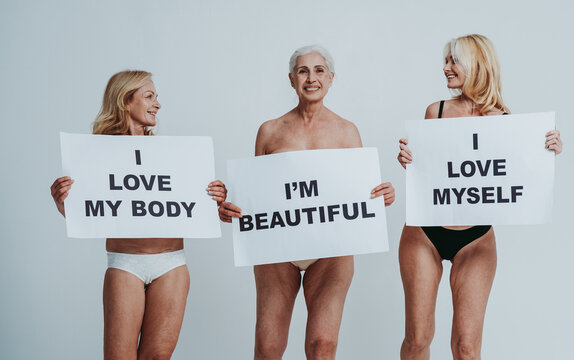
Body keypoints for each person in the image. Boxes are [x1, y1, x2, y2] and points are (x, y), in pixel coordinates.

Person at [218, 45, 395, 360]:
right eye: (303, 71)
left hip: (331, 252)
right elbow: (256, 196)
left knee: (322, 344)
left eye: (318, 70)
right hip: (277, 250)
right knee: (268, 347)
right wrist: (231, 209)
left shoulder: (347, 131)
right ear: (291, 79)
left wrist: (383, 196)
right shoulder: (270, 131)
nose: (311, 78)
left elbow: (361, 194)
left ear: (331, 78)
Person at [396, 34, 563, 360]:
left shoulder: (505, 122)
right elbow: (428, 172)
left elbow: (518, 173)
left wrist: (548, 151)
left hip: (476, 239)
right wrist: (407, 159)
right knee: (418, 338)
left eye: (453, 61)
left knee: (467, 348)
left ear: (476, 64)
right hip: (425, 234)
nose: (446, 68)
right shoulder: (437, 111)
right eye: (445, 61)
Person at [50, 70, 227, 359]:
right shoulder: (96, 154)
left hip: (171, 264)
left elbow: (193, 202)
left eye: (156, 97)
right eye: (149, 97)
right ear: (125, 101)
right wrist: (64, 205)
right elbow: (92, 212)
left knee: (157, 356)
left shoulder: (173, 155)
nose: (158, 104)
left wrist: (215, 196)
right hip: (125, 264)